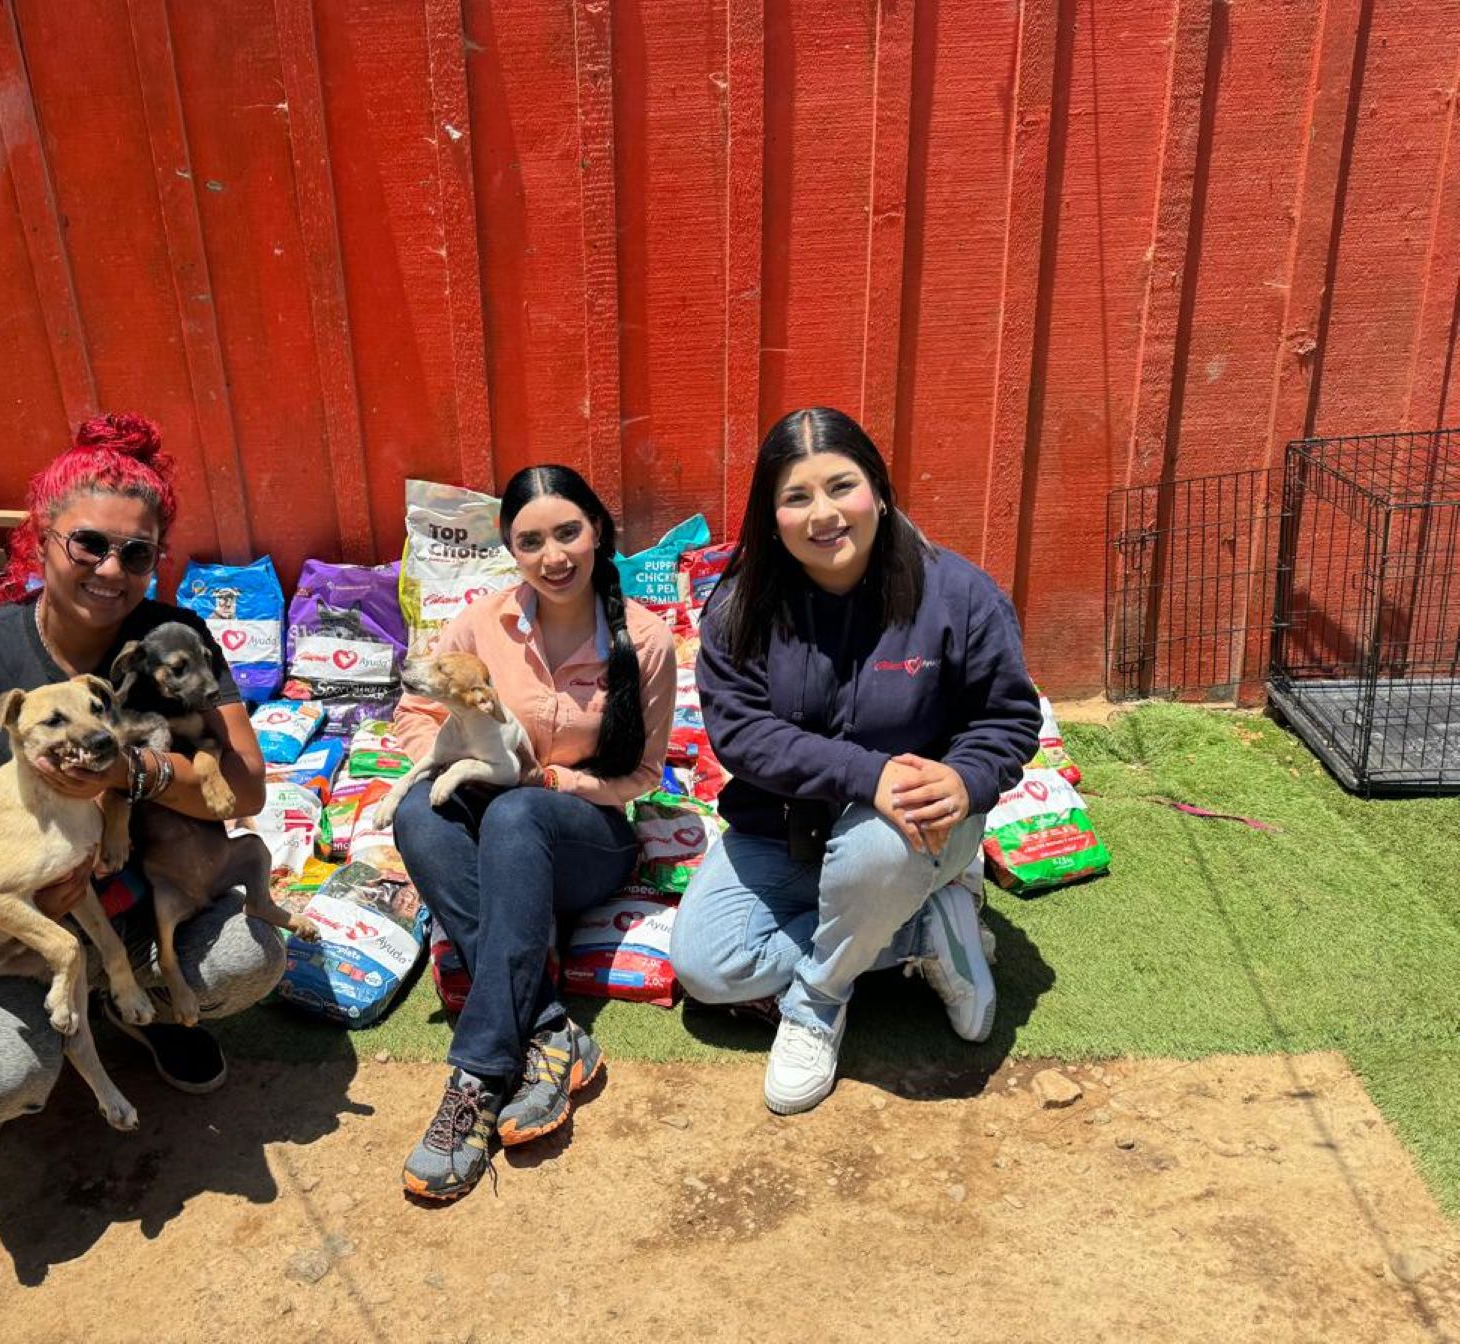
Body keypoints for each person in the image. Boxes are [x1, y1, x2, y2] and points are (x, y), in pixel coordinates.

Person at [0, 413, 285, 1160]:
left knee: (251, 960)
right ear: (41, 541)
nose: (112, 570)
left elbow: (244, 792)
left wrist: (130, 772)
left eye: (136, 553)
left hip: (131, 911)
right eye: (89, 544)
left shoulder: (175, 639)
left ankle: (127, 1001)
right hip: (2, 929)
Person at [669, 407, 1040, 1115]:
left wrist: (964, 779)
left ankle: (817, 1003)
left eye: (842, 487)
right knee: (707, 967)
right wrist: (866, 773)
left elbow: (1008, 716)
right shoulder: (739, 606)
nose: (824, 514)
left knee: (876, 847)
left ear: (878, 487)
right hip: (778, 832)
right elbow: (742, 735)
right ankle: (925, 929)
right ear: (769, 514)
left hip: (913, 830)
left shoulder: (958, 594)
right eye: (796, 497)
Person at [390, 466, 675, 1200]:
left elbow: (644, 773)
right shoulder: (482, 623)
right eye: (531, 540)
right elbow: (415, 711)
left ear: (598, 533)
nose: (553, 555)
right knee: (419, 811)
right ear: (509, 550)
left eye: (568, 533)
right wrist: (442, 752)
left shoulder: (642, 639)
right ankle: (551, 1032)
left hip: (587, 837)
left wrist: (556, 783)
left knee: (519, 812)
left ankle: (480, 1074)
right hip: (495, 825)